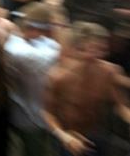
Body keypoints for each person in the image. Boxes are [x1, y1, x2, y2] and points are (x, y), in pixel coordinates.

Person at [43, 22, 130, 156]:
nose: (97, 56)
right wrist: (64, 136)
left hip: (97, 134)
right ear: (75, 49)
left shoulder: (109, 72)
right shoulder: (59, 77)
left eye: (101, 49)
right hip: (70, 137)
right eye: (90, 49)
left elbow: (120, 105)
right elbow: (47, 113)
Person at [4, 2, 61, 156]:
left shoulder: (41, 42)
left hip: (43, 113)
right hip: (28, 116)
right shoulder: (16, 49)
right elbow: (58, 52)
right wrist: (57, 17)